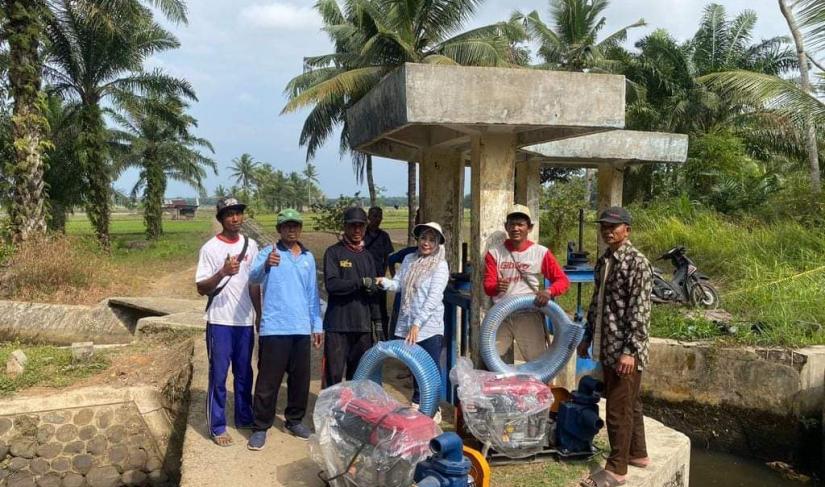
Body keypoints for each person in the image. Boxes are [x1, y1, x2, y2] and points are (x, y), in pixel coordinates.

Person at [578, 206, 653, 487]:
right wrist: (587, 337)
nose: (608, 231)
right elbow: (596, 304)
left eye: (613, 226)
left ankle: (616, 469)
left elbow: (640, 311)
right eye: (604, 227)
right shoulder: (605, 261)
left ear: (627, 230)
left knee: (617, 409)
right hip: (608, 345)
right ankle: (637, 453)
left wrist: (630, 351)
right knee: (629, 403)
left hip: (625, 350)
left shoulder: (637, 263)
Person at [246, 208, 322, 449]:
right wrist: (266, 265)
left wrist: (317, 324)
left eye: (295, 225)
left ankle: (294, 420)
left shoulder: (308, 257)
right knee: (268, 382)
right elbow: (253, 278)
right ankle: (260, 426)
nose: (291, 229)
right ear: (279, 229)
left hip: (301, 328)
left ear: (300, 229)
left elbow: (312, 293)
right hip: (274, 328)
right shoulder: (268, 252)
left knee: (300, 380)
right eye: (287, 225)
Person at [195, 197, 260, 447]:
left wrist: (259, 315)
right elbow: (201, 288)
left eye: (238, 213)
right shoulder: (210, 248)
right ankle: (217, 426)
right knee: (219, 375)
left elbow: (254, 284)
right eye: (229, 214)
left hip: (244, 321)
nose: (235, 218)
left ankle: (244, 416)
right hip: (219, 322)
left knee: (245, 373)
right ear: (221, 219)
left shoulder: (250, 246)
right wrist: (222, 272)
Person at [378, 222, 449, 419]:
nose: (426, 243)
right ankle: (418, 405)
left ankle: (432, 408)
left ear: (437, 244)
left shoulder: (440, 265)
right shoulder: (409, 259)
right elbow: (399, 284)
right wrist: (384, 283)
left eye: (432, 240)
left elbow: (433, 298)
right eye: (423, 238)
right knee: (414, 366)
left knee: (429, 368)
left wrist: (418, 324)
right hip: (408, 322)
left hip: (428, 326)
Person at [483, 204, 570, 363]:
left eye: (520, 224)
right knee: (490, 360)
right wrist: (496, 287)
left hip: (529, 314)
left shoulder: (540, 252)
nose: (515, 228)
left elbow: (562, 281)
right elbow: (488, 286)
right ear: (506, 227)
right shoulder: (494, 253)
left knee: (539, 365)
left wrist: (548, 292)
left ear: (529, 228)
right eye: (512, 224)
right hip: (501, 315)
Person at [322, 207, 382, 387]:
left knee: (358, 377)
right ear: (345, 227)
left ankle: (353, 406)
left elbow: (373, 293)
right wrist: (360, 282)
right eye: (352, 226)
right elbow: (332, 285)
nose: (357, 230)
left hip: (362, 327)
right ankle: (331, 405)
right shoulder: (333, 253)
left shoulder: (368, 257)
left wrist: (378, 322)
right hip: (337, 326)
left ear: (365, 227)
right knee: (333, 375)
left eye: (360, 226)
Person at [364, 207, 394, 339]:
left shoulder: (384, 236)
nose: (377, 219)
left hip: (380, 278)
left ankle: (383, 339)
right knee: (365, 309)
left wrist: (384, 273)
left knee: (381, 310)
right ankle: (367, 339)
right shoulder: (362, 235)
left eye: (379, 216)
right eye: (374, 216)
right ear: (368, 217)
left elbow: (388, 257)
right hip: (364, 278)